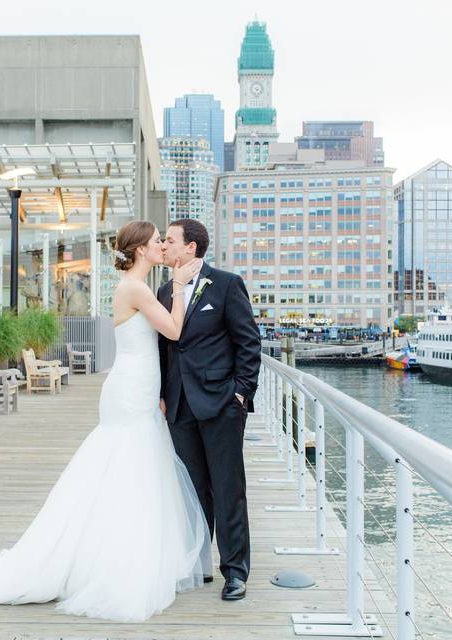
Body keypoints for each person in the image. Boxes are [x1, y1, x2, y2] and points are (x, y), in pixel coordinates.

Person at [0, 220, 211, 622]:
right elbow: (173, 330)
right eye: (157, 241)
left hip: (138, 387)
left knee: (134, 469)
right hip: (130, 390)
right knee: (129, 467)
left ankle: (124, 552)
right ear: (140, 249)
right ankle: (114, 562)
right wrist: (177, 286)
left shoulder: (133, 287)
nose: (161, 246)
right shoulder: (135, 288)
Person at [157, 218, 262, 601]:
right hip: (180, 405)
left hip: (221, 403)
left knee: (228, 487)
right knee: (192, 490)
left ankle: (235, 572)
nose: (164, 245)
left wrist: (241, 394)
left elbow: (249, 343)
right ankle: (197, 566)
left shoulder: (227, 285)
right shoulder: (165, 289)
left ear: (191, 247)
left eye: (170, 240)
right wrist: (162, 393)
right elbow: (165, 346)